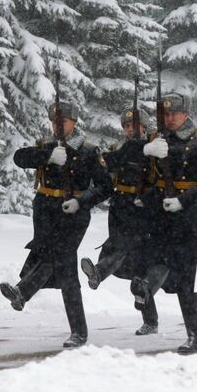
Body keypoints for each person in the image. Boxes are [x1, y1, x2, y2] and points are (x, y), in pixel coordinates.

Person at [0, 101, 112, 348]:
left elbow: (106, 187)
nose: (57, 126)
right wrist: (47, 156)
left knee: (59, 256)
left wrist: (81, 201)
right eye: (54, 122)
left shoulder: (89, 150)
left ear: (74, 122)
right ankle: (78, 332)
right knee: (63, 268)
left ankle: (23, 292)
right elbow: (20, 158)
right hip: (46, 213)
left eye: (62, 122)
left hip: (73, 215)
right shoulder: (46, 146)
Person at [136, 92, 197, 354]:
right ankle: (146, 294)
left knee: (185, 277)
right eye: (165, 114)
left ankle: (195, 335)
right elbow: (144, 174)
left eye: (174, 113)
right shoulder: (157, 140)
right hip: (159, 212)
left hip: (189, 216)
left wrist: (184, 200)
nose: (170, 118)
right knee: (150, 258)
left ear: (186, 113)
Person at [80, 106, 166, 336]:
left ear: (145, 127)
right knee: (136, 263)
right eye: (126, 126)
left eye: (134, 126)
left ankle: (99, 272)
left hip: (144, 207)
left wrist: (145, 153)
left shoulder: (157, 146)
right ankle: (151, 320)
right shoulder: (121, 148)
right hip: (121, 207)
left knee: (126, 248)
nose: (130, 129)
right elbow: (108, 163)